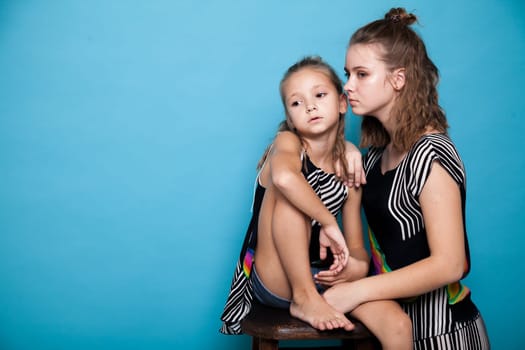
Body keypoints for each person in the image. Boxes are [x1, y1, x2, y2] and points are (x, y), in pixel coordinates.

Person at [321, 8, 490, 349]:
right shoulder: (375, 159)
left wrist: (355, 292)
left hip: (446, 335)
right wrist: (346, 148)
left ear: (398, 79)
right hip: (397, 332)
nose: (348, 86)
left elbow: (451, 263)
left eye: (362, 74)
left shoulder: (431, 154)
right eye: (347, 74)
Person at [220, 56, 413, 349]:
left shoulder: (349, 166)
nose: (309, 106)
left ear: (341, 103)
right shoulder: (286, 144)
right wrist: (326, 221)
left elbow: (358, 249)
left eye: (319, 95)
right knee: (292, 194)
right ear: (289, 119)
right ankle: (304, 297)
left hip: (320, 275)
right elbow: (285, 179)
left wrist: (353, 269)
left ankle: (312, 294)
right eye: (296, 103)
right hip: (275, 276)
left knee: (397, 323)